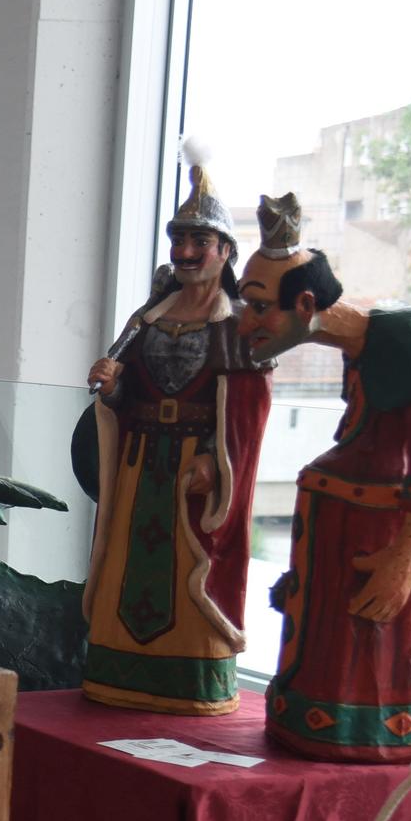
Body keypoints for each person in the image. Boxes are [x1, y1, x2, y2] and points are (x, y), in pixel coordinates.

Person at [237, 194, 411, 760]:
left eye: (260, 306)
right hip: (341, 551)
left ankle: (378, 730)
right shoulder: (357, 346)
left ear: (307, 302)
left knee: (380, 667)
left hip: (379, 549)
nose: (248, 322)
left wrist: (403, 560)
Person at [81, 149, 271, 714]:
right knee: (125, 560)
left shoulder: (237, 327)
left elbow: (248, 408)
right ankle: (122, 667)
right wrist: (112, 388)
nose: (187, 253)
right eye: (179, 241)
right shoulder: (147, 319)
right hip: (141, 466)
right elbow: (127, 392)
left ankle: (190, 672)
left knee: (190, 569)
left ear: (225, 252)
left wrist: (217, 457)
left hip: (194, 469)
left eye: (200, 242)